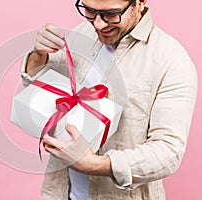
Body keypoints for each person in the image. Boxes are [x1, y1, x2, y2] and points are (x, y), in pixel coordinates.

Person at [20, 0, 198, 199]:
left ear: (140, 2)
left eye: (112, 14)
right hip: (61, 193)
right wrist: (39, 55)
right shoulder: (82, 34)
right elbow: (43, 90)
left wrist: (94, 164)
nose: (98, 24)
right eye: (89, 10)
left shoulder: (172, 60)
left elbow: (168, 152)